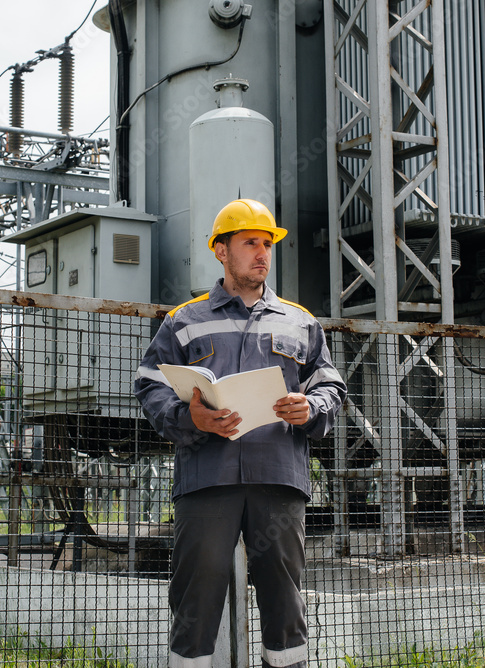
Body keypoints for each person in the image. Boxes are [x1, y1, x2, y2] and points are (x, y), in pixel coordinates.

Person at [134, 198, 347, 668]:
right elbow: (149, 385)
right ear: (221, 251)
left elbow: (331, 384)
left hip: (278, 476)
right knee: (196, 597)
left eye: (267, 243)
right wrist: (191, 419)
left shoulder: (300, 320)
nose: (262, 253)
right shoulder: (184, 320)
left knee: (284, 598)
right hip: (208, 478)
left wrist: (309, 406)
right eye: (250, 242)